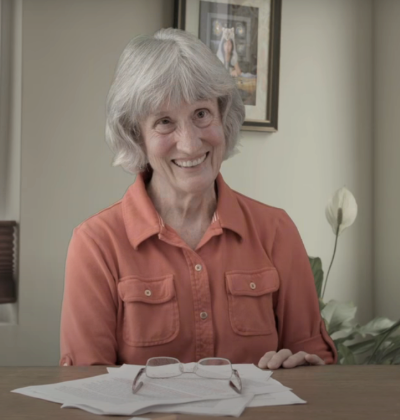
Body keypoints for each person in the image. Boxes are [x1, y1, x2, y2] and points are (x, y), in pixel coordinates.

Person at [59, 28, 337, 369]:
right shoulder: (95, 244)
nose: (190, 144)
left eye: (201, 114)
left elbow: (316, 364)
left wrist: (305, 368)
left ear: (223, 116)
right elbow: (86, 385)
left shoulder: (276, 230)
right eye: (164, 122)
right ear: (136, 136)